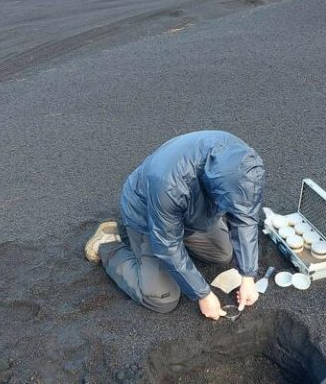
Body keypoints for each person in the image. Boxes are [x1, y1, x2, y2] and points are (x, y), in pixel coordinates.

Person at [84, 130, 265, 320]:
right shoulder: (170, 183)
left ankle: (183, 240)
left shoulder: (243, 164)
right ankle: (108, 243)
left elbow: (245, 216)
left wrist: (248, 276)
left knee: (222, 254)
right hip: (146, 216)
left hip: (192, 212)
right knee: (162, 298)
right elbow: (167, 244)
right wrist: (203, 295)